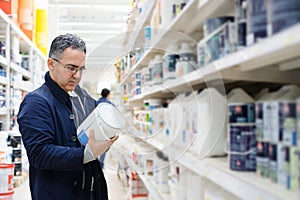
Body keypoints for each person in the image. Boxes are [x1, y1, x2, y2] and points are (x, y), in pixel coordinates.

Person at [17, 33, 118, 200]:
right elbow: (39, 153)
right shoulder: (36, 102)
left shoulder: (82, 97)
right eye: (71, 68)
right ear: (51, 64)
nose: (77, 76)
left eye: (81, 69)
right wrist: (87, 154)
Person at [96, 88, 113, 169]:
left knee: (97, 145)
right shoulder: (109, 103)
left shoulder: (96, 102)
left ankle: (97, 164)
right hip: (106, 128)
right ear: (108, 95)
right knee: (105, 146)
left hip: (97, 127)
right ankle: (101, 165)